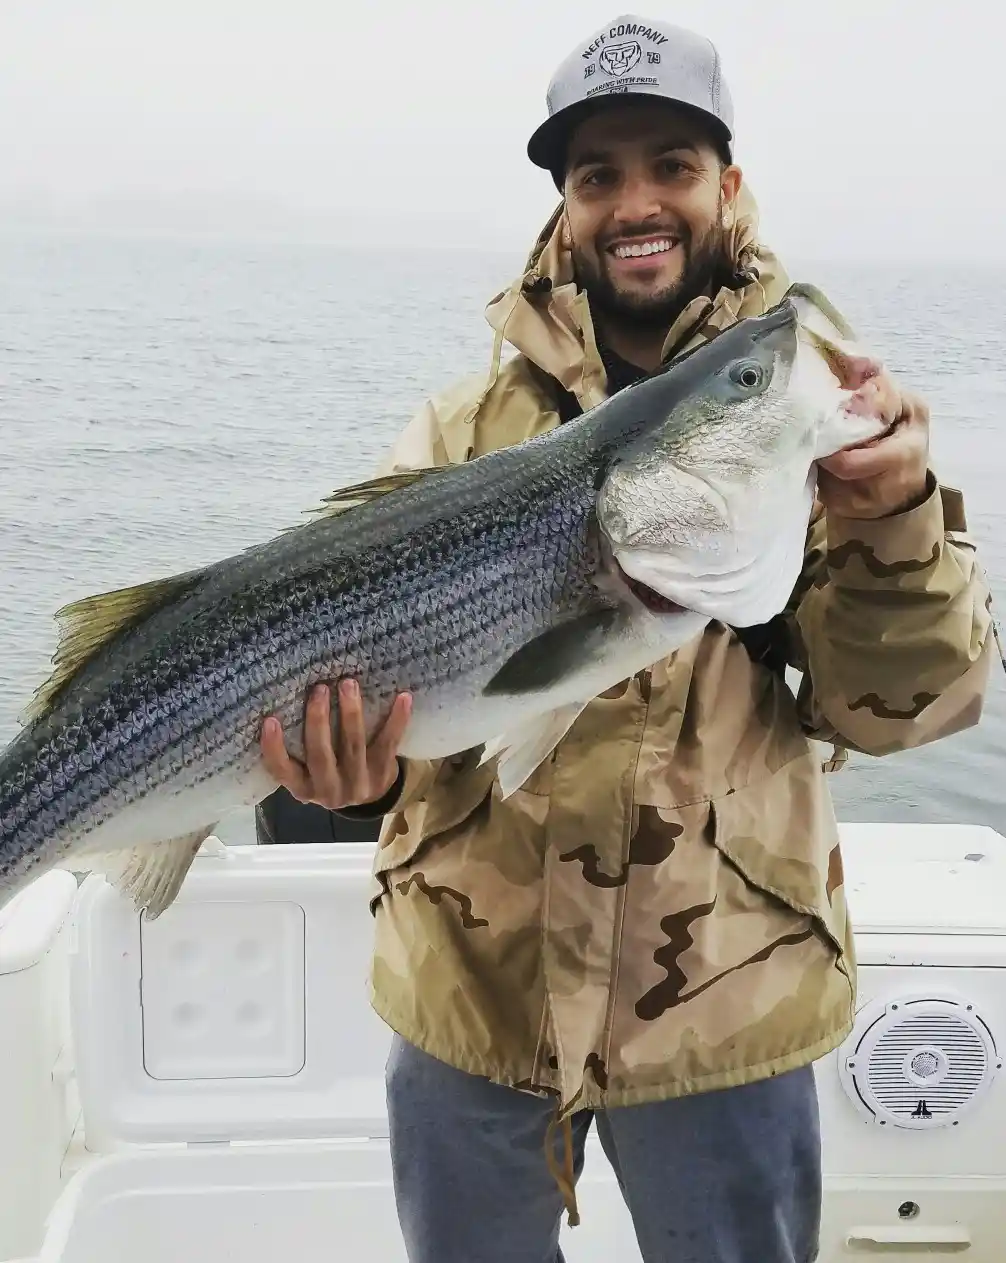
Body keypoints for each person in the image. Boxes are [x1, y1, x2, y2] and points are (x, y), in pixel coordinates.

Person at [260, 14, 994, 1262]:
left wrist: (895, 527)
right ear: (564, 204)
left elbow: (896, 711)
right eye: (598, 174)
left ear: (728, 183)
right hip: (470, 992)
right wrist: (354, 774)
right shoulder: (458, 429)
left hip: (721, 996)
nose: (635, 201)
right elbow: (397, 706)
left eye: (671, 163)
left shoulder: (811, 426)